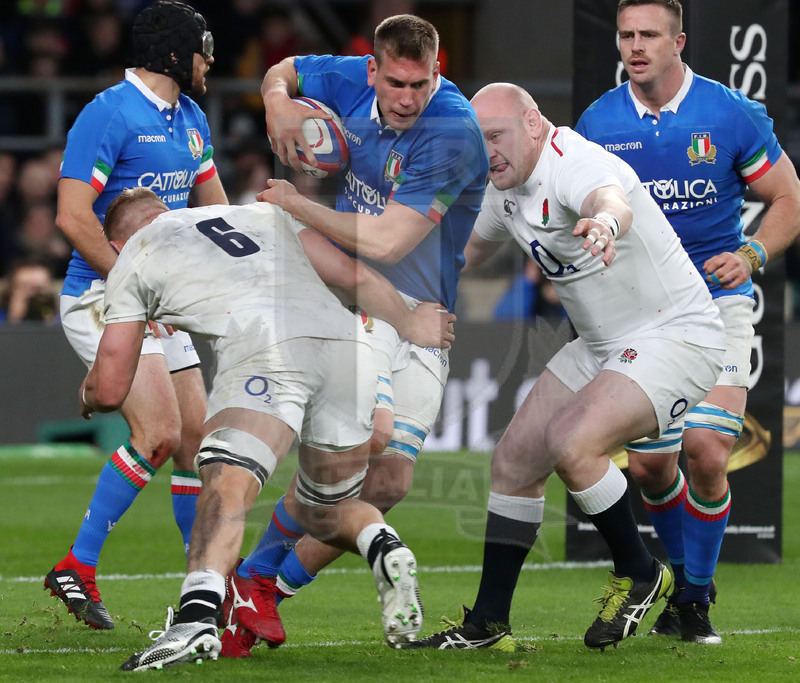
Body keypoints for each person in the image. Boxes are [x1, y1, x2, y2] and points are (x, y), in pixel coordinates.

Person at [404, 82, 726, 652]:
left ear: (533, 125)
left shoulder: (571, 162)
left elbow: (610, 199)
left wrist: (603, 224)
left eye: (495, 137)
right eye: (478, 143)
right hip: (604, 342)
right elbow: (458, 255)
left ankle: (641, 571)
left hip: (675, 335)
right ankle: (488, 622)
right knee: (514, 460)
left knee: (572, 444)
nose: (487, 153)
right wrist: (377, 264)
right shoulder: (506, 187)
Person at [84, 187, 453, 669]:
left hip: (267, 346)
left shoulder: (134, 253)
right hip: (349, 347)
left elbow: (111, 388)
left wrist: (88, 394)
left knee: (226, 482)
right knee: (323, 511)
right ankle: (382, 544)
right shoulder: (257, 215)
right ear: (169, 211)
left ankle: (194, 620)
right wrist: (407, 322)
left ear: (115, 244)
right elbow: (350, 275)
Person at [220, 13, 489, 655]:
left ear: (437, 72)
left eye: (419, 84)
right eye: (394, 83)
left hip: (423, 313)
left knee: (391, 482)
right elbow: (281, 72)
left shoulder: (452, 131)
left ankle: (260, 587)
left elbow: (390, 240)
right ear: (372, 69)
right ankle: (248, 583)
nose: (405, 98)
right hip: (351, 297)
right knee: (367, 438)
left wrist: (295, 203)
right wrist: (277, 102)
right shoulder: (345, 79)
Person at [575, 0, 800, 644]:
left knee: (706, 449)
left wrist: (753, 252)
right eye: (625, 35)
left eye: (649, 34)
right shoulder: (599, 120)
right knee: (649, 468)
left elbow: (788, 197)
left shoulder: (729, 112)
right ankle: (678, 585)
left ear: (679, 40)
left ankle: (695, 600)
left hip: (715, 305)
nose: (635, 46)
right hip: (637, 314)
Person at [45, 0, 228, 631]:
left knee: (196, 441)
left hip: (159, 302)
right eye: (203, 49)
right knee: (158, 434)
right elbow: (72, 218)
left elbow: (214, 213)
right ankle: (78, 565)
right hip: (101, 295)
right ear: (176, 55)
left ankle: (199, 591)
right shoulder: (108, 113)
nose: (210, 60)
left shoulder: (193, 117)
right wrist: (135, 286)